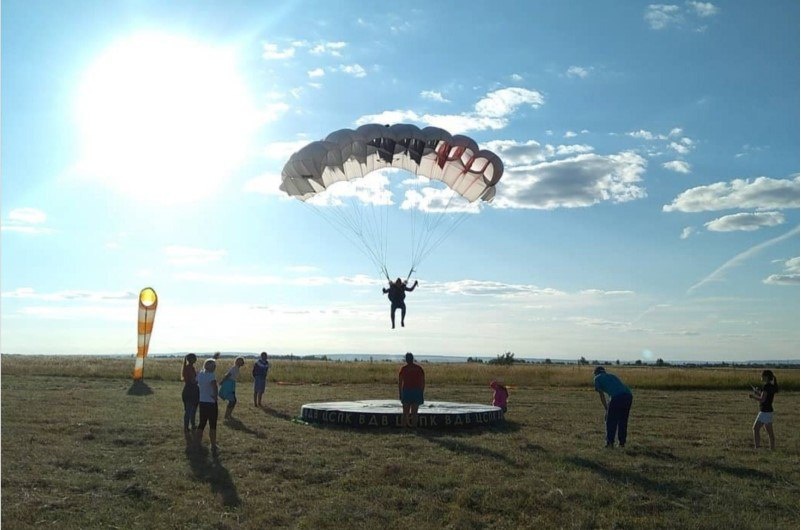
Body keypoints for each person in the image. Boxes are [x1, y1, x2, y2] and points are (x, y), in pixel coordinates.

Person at [593, 366, 633, 448]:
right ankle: (622, 443)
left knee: (611, 420)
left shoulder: (597, 378)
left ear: (596, 372)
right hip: (628, 395)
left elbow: (601, 395)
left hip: (617, 397)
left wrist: (606, 408)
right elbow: (616, 389)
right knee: (623, 420)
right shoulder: (612, 376)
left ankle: (610, 443)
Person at [749, 369, 778, 449]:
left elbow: (762, 399)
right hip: (769, 411)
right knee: (770, 432)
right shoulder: (771, 386)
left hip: (764, 411)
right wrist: (758, 393)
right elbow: (766, 397)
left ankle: (757, 447)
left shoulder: (766, 387)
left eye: (762, 375)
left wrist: (753, 397)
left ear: (766, 377)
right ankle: (772, 448)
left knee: (755, 428)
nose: (761, 377)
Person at [196, 358, 219, 451]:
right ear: (209, 366)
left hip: (202, 401)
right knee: (213, 424)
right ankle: (213, 445)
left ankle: (198, 443)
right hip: (211, 402)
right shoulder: (211, 375)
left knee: (202, 423)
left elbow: (196, 382)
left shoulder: (200, 374)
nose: (215, 367)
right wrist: (215, 396)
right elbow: (214, 386)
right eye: (213, 365)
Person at [398, 352, 425, 427]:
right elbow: (423, 382)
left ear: (406, 359)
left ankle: (403, 428)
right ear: (412, 359)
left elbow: (400, 382)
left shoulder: (404, 369)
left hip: (407, 391)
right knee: (414, 412)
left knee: (405, 412)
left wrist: (400, 393)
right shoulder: (419, 368)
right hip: (417, 391)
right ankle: (414, 427)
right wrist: (421, 392)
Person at [181, 353, 200, 432]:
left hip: (188, 390)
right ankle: (189, 426)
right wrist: (199, 377)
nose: (196, 359)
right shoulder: (190, 368)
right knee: (191, 410)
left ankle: (190, 425)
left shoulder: (188, 367)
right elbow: (193, 380)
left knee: (189, 410)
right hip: (191, 391)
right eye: (195, 358)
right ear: (191, 359)